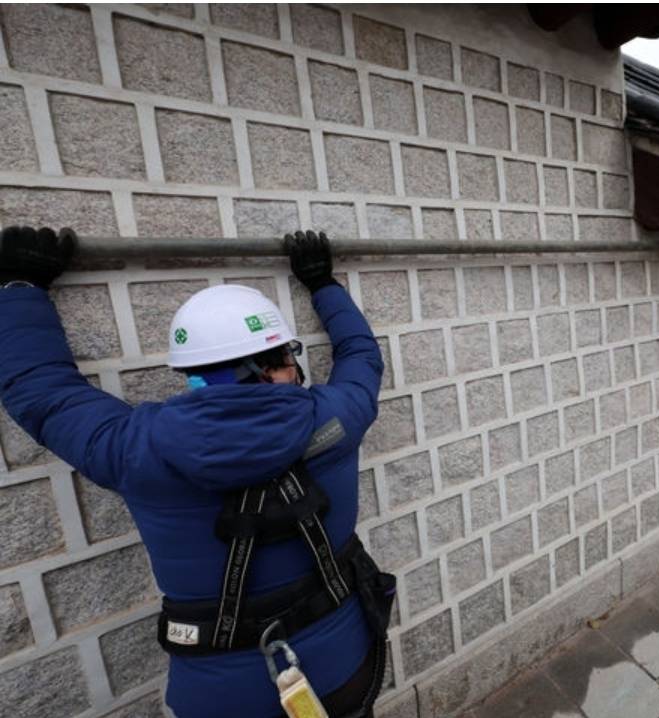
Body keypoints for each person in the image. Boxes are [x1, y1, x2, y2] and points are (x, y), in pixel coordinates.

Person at [0, 227, 390, 718]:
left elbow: (42, 392)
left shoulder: (133, 449)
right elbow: (361, 355)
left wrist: (19, 288)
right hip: (344, 669)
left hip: (222, 698)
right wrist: (322, 283)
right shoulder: (336, 418)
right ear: (271, 366)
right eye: (289, 357)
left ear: (194, 372)